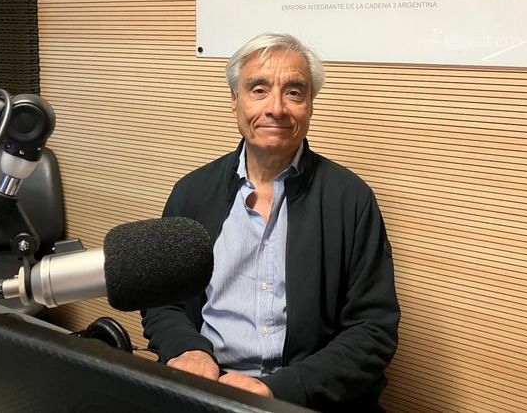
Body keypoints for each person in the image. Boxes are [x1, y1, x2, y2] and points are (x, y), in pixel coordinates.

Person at [141, 33, 399, 412]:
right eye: (259, 90)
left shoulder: (350, 199)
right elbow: (162, 299)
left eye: (294, 92)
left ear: (310, 105)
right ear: (235, 100)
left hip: (305, 399)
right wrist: (188, 350)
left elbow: (372, 330)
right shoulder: (192, 193)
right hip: (211, 389)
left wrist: (280, 390)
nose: (276, 108)